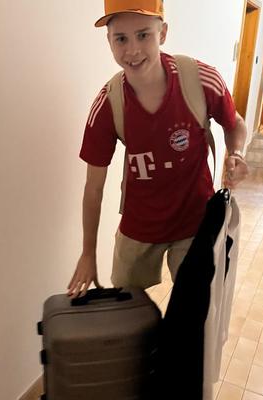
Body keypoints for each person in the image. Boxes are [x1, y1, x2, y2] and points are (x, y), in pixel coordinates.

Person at [68, 0, 248, 298]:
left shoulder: (200, 79)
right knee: (125, 309)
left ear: (162, 33)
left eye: (143, 35)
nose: (133, 50)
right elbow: (93, 188)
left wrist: (237, 153)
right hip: (139, 224)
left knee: (196, 310)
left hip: (195, 221)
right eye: (121, 39)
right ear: (109, 41)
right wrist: (88, 253)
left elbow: (235, 123)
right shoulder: (109, 104)